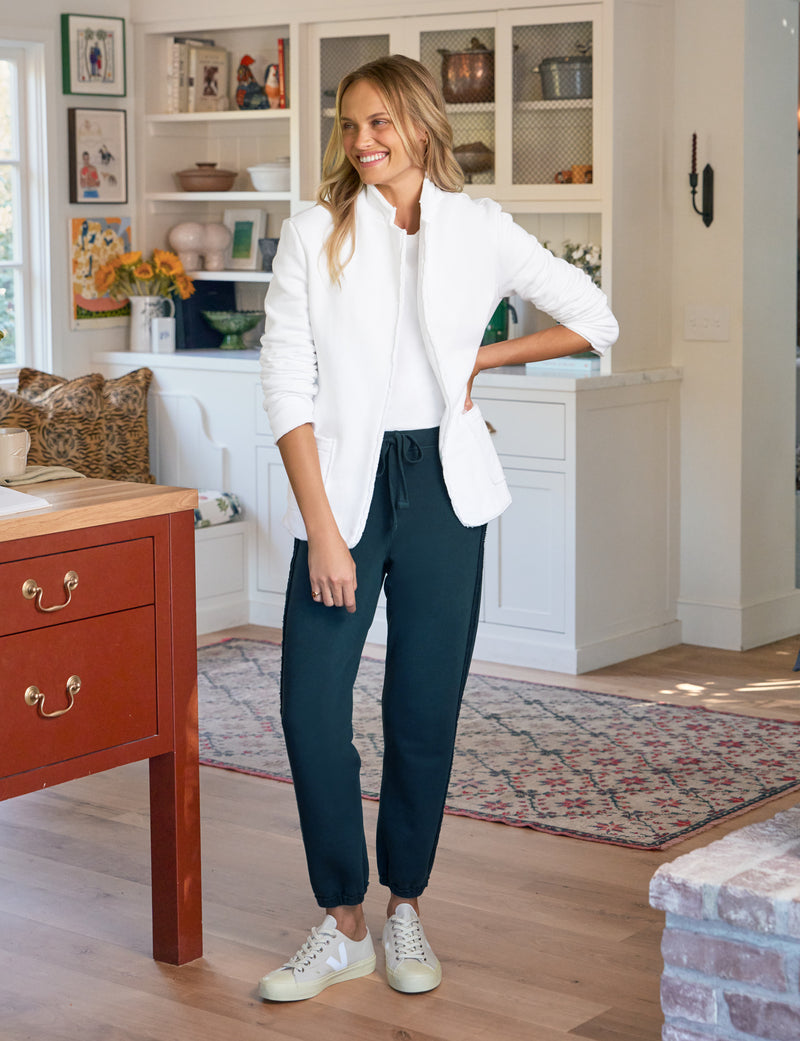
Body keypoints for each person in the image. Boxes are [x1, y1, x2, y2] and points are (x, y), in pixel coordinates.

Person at [258, 54, 618, 1003]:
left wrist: (477, 360)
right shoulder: (314, 232)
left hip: (446, 488)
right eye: (349, 126)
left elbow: (594, 319)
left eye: (380, 122)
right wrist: (322, 529)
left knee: (423, 712)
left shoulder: (478, 227)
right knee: (308, 708)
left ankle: (404, 901)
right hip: (343, 487)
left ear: (420, 124)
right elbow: (285, 387)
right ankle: (341, 922)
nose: (363, 142)